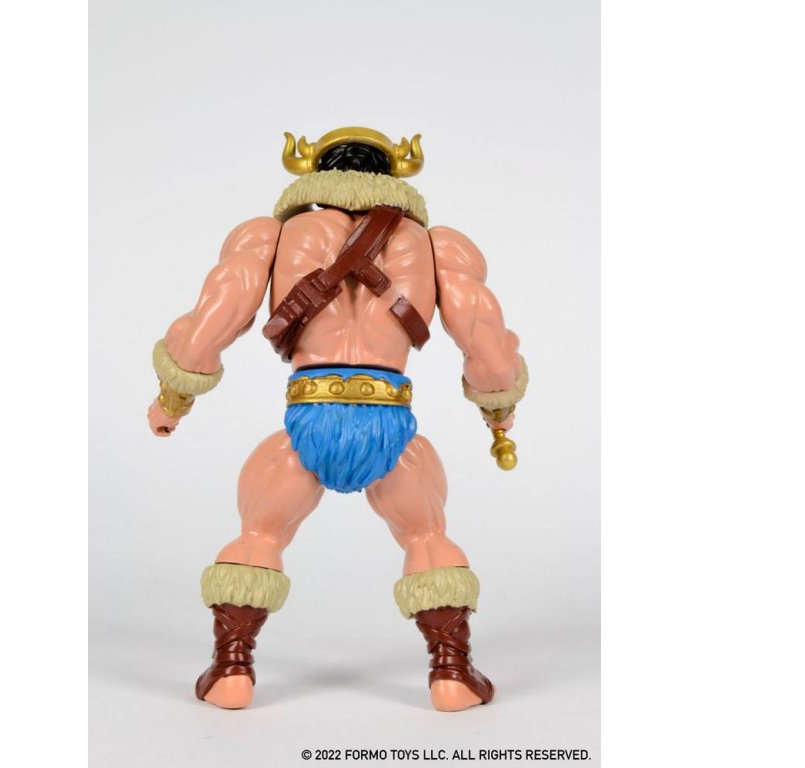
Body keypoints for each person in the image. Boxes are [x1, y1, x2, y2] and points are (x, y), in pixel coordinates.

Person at [147, 127, 527, 711]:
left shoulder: (272, 236)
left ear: (313, 172)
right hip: (390, 427)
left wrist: (174, 399)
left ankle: (230, 671)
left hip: (308, 420)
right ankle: (452, 674)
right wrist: (498, 411)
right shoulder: (435, 245)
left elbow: (214, 318)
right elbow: (486, 340)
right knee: (427, 536)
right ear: (394, 173)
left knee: (259, 534)